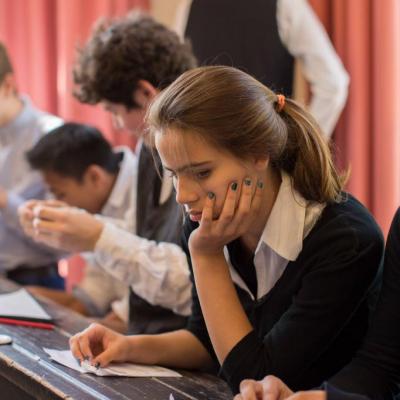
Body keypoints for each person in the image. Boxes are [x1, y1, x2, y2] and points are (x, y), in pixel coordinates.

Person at [68, 66, 383, 394]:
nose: (183, 195)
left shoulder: (346, 240)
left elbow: (253, 374)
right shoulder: (203, 218)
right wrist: (130, 347)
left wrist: (206, 256)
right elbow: (207, 338)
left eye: (201, 173)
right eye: (175, 175)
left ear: (259, 153)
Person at [18, 13, 197, 334]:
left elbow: (194, 286)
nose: (118, 127)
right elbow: (141, 244)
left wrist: (96, 235)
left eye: (115, 112)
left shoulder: (202, 154)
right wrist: (80, 227)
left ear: (145, 95)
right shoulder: (147, 152)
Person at [235, 208, 400, 400]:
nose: (189, 196)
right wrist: (317, 396)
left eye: (204, 175)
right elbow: (380, 368)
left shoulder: (347, 237)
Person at [25, 122, 137, 333]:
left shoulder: (144, 194)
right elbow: (89, 300)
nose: (57, 203)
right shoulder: (100, 206)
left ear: (94, 176)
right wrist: (22, 297)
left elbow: (133, 321)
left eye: (60, 194)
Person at [180, 0, 349, 138]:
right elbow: (333, 84)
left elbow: (176, 82)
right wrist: (304, 148)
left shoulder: (190, 5)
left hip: (203, 154)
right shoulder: (286, 5)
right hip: (264, 156)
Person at [0, 41, 63, 289]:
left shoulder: (52, 135)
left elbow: (62, 238)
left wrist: (5, 201)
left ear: (8, 85)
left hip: (37, 280)